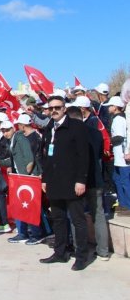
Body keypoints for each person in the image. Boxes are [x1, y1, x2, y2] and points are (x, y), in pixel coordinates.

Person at [39, 95, 92, 271]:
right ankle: (60, 252)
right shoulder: (49, 128)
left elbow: (84, 156)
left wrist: (81, 180)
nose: (53, 111)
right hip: (54, 182)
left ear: (64, 108)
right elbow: (46, 156)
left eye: (57, 107)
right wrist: (45, 179)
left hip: (72, 182)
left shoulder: (77, 127)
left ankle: (82, 256)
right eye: (51, 108)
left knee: (77, 220)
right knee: (59, 219)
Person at [67, 105, 110, 260]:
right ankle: (103, 251)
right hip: (96, 179)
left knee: (76, 217)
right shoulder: (96, 133)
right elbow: (99, 154)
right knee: (98, 215)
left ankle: (80, 249)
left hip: (79, 181)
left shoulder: (72, 134)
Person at [104, 96, 129, 214]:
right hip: (119, 157)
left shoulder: (119, 119)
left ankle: (127, 205)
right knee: (117, 179)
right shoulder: (117, 118)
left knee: (124, 181)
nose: (108, 108)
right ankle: (123, 204)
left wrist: (108, 144)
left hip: (123, 157)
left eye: (110, 106)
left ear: (115, 107)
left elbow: (120, 138)